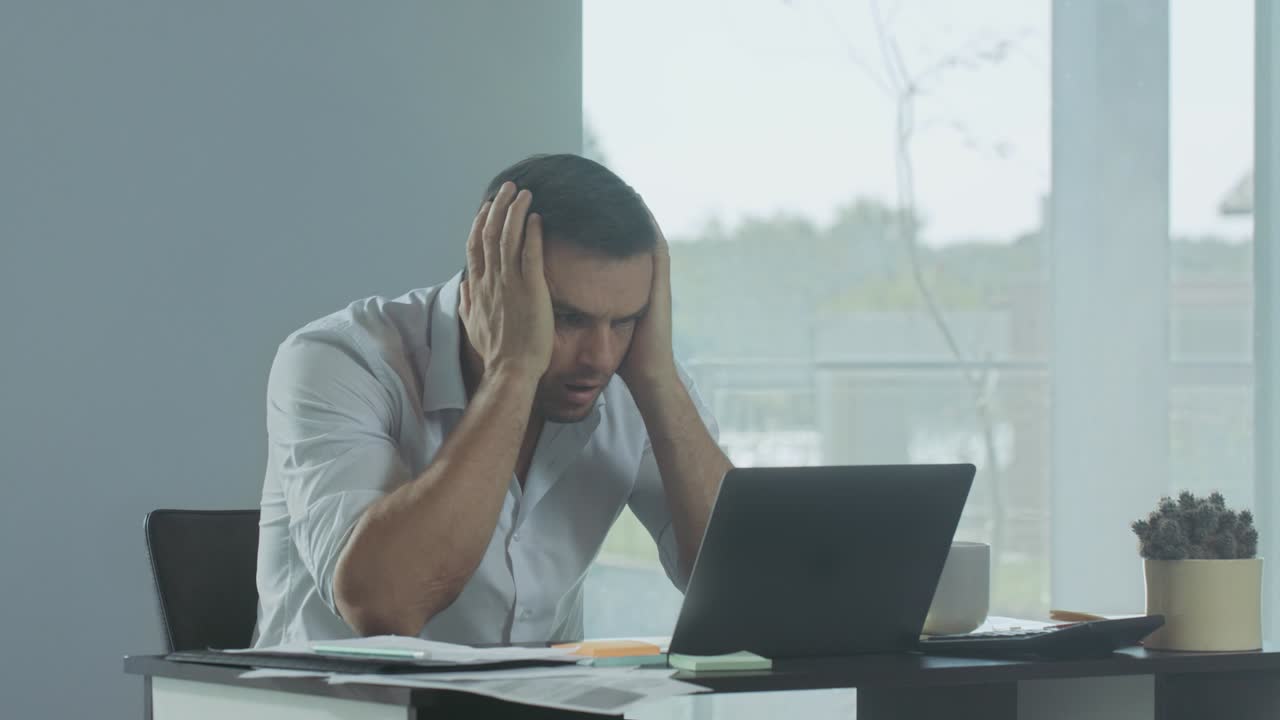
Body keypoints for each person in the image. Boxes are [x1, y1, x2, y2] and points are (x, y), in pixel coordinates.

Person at [253, 153, 732, 646]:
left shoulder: (636, 372)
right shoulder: (340, 360)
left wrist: (659, 385)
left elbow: (748, 590)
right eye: (567, 318)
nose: (601, 356)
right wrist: (513, 372)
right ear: (486, 283)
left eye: (625, 320)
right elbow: (387, 607)